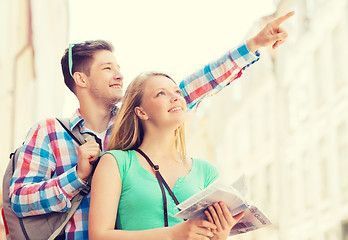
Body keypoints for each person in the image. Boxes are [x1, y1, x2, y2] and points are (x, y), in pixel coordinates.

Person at [9, 11, 294, 240]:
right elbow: (20, 199)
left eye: (119, 67)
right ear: (81, 80)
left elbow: (194, 87)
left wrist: (254, 45)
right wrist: (78, 176)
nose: (119, 74)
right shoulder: (48, 132)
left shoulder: (132, 123)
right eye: (107, 68)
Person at [89, 72, 245, 240]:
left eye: (177, 92)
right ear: (141, 112)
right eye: (161, 93)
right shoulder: (115, 162)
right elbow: (98, 236)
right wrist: (172, 234)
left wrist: (220, 236)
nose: (176, 97)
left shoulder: (207, 171)